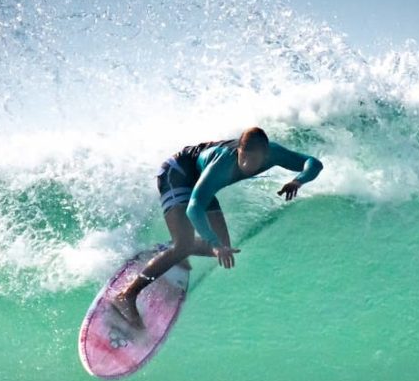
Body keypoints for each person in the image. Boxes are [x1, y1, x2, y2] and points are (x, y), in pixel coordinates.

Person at [112, 126, 323, 327]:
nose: (249, 164)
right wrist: (212, 243)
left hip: (203, 182)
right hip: (178, 173)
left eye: (255, 160)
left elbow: (313, 163)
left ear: (266, 154)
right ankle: (126, 296)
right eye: (245, 157)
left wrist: (298, 181)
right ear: (238, 151)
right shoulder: (223, 164)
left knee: (224, 247)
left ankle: (170, 251)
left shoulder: (273, 153)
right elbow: (194, 208)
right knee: (190, 244)